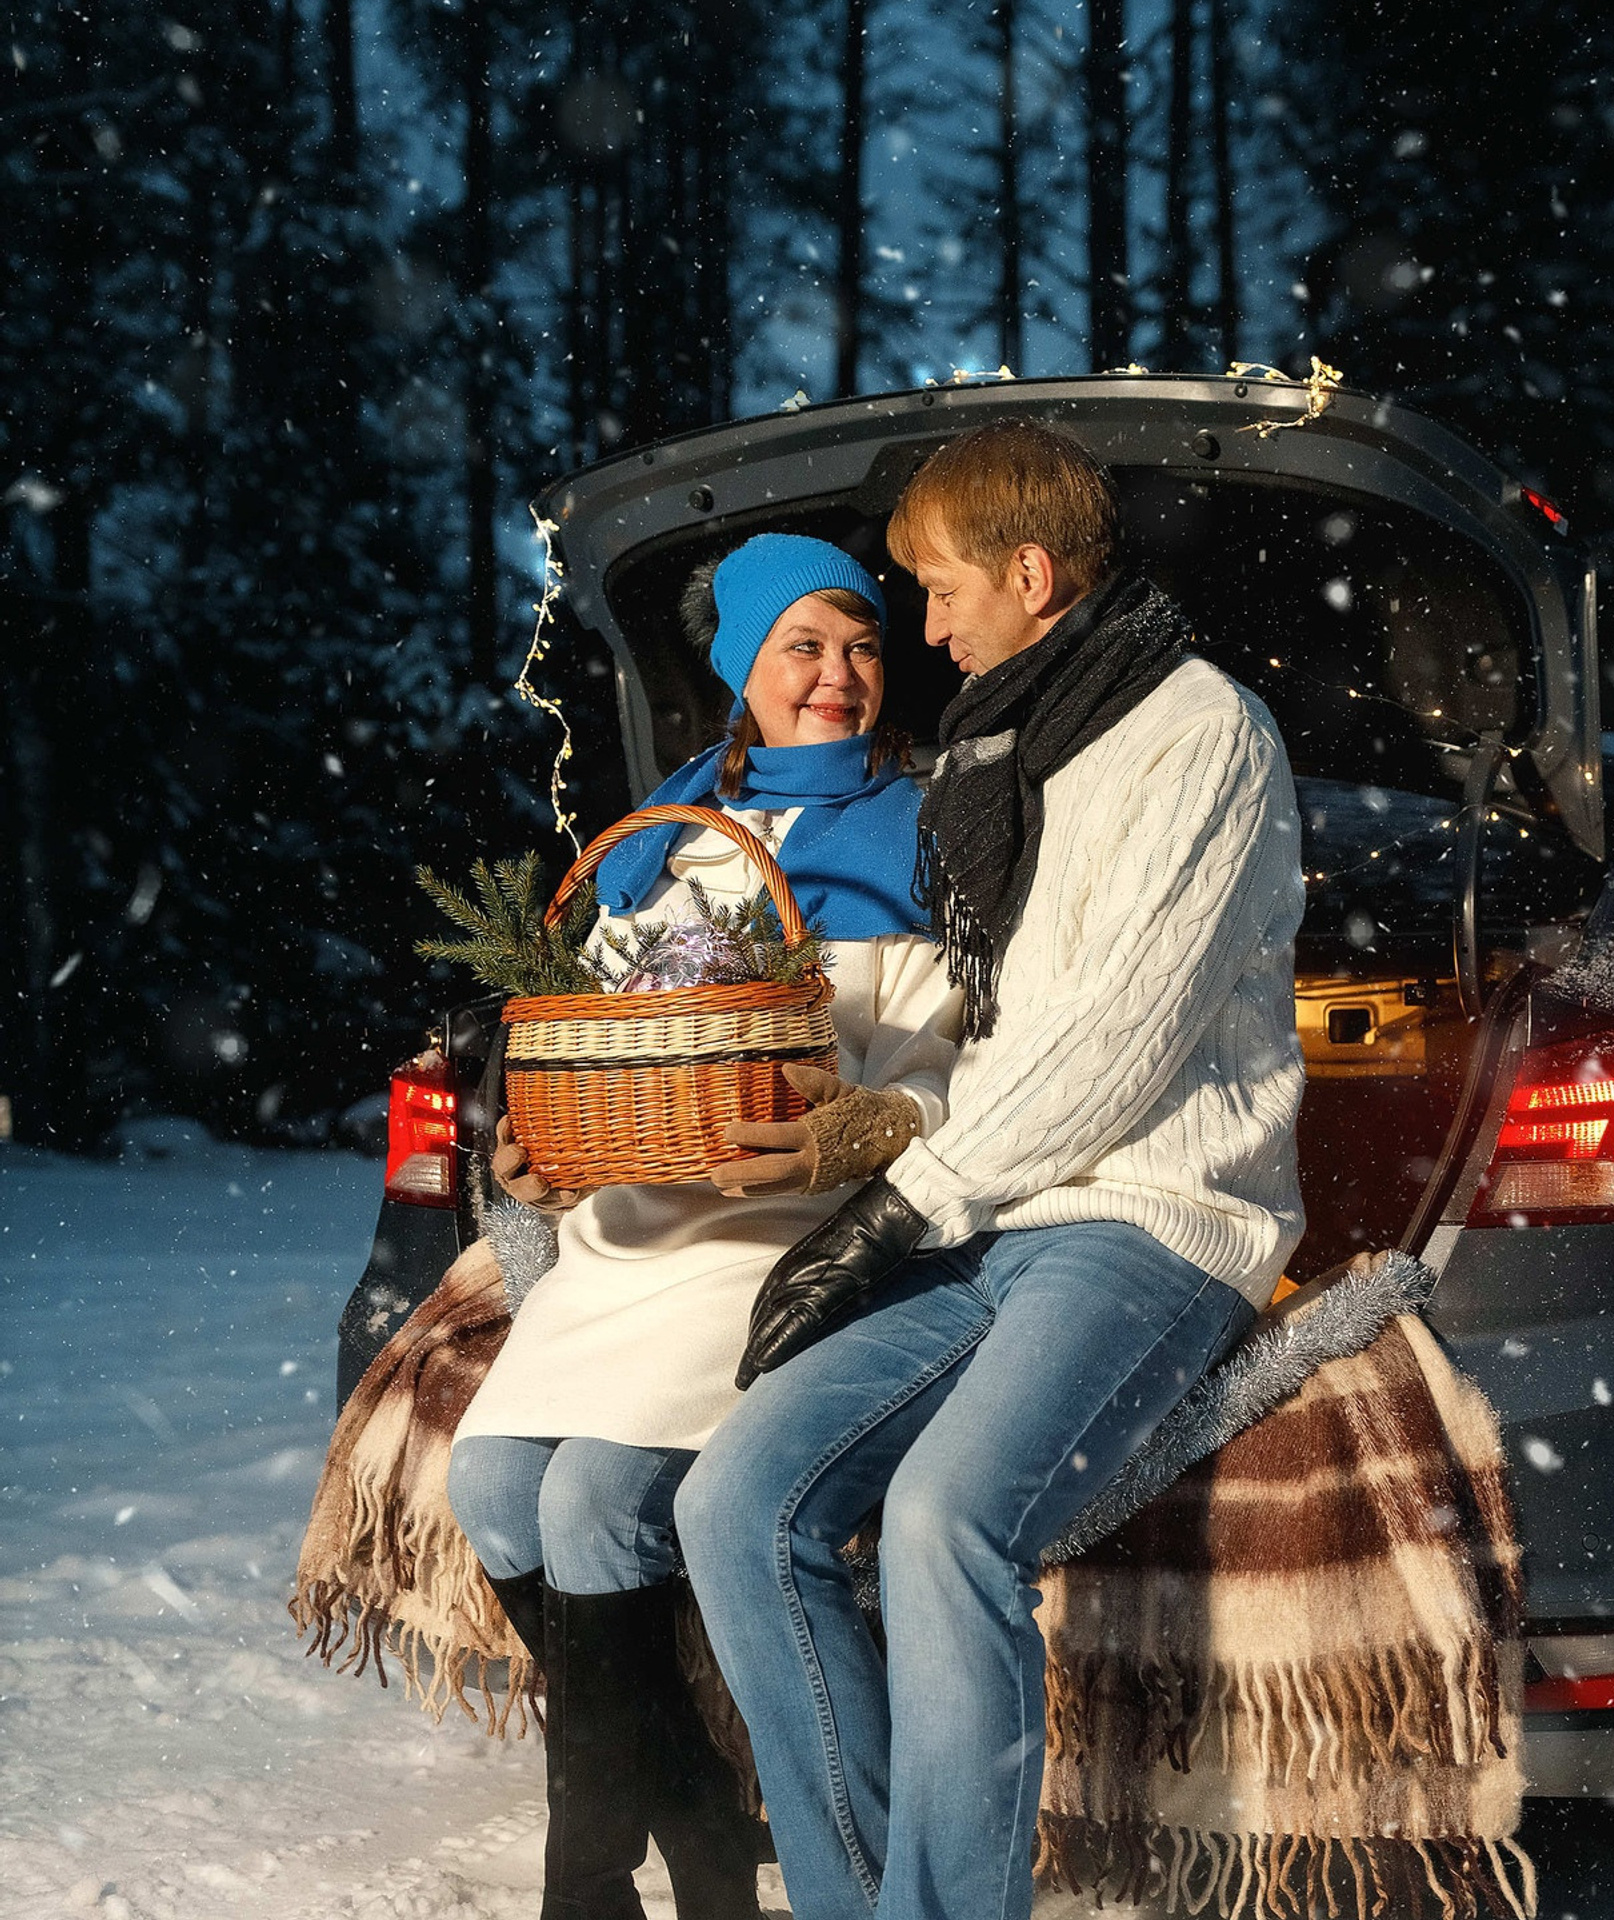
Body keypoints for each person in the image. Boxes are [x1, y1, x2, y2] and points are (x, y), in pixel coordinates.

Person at [675, 421, 1308, 1920]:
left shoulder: (1197, 732)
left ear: (1030, 575)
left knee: (948, 1519)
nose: (925, 626)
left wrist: (902, 1211)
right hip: (1004, 1212)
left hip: (1154, 1216)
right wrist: (897, 1168)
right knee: (736, 1501)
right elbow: (990, 1035)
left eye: (941, 591)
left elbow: (1116, 1047)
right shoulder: (1011, 744)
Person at [445, 533, 963, 1920]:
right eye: (804, 646)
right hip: (629, 1224)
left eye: (861, 645)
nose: (840, 676)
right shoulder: (660, 841)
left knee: (596, 1502)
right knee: (491, 1490)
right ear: (743, 667)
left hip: (776, 1230)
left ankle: (593, 1884)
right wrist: (537, 1153)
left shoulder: (921, 828)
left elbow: (940, 1079)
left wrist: (858, 1123)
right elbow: (589, 1051)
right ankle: (702, 1831)